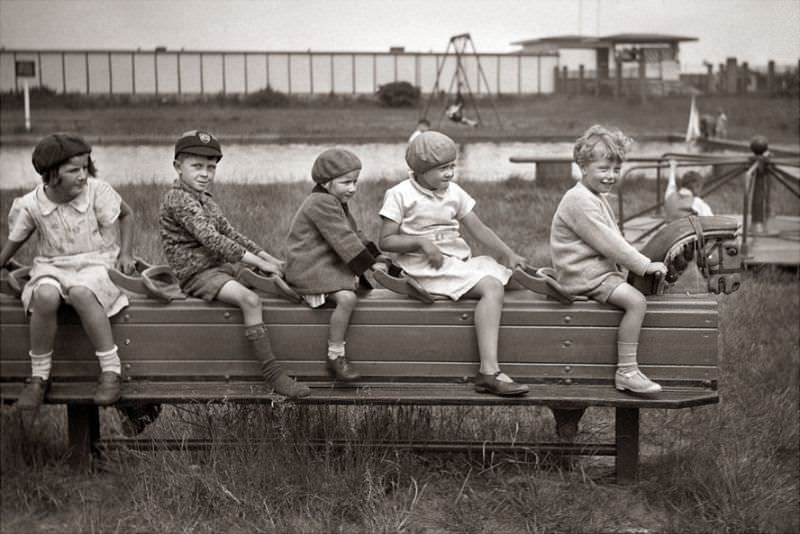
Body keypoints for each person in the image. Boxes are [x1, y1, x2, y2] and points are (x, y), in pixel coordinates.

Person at [159, 130, 309, 398]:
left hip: (219, 269)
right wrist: (260, 263)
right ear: (177, 167)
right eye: (197, 166)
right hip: (198, 274)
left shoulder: (204, 198)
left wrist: (269, 259)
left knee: (270, 284)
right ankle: (273, 373)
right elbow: (213, 240)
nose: (205, 174)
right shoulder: (178, 199)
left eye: (211, 168)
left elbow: (231, 234)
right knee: (251, 300)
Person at [378, 131, 529, 397]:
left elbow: (478, 228)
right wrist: (421, 243)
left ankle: (528, 348)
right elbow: (386, 241)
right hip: (426, 267)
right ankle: (489, 371)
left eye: (452, 167)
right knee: (492, 287)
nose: (449, 174)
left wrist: (508, 253)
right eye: (442, 169)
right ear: (421, 170)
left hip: (456, 262)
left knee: (514, 277)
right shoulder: (399, 194)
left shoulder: (453, 191)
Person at [0, 133, 136, 411]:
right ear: (50, 175)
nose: (83, 175)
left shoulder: (97, 191)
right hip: (53, 264)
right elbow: (15, 241)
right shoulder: (32, 204)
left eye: (85, 167)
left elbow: (126, 214)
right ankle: (39, 376)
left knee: (82, 293)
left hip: (95, 262)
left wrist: (125, 253)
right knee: (46, 295)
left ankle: (111, 370)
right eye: (74, 170)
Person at [550, 125, 668, 395]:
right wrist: (643, 264)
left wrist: (636, 259)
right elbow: (609, 242)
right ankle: (626, 371)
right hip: (582, 274)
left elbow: (614, 238)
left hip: (594, 269)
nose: (611, 176)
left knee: (641, 291)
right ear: (583, 167)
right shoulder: (578, 200)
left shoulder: (595, 196)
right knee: (636, 302)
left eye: (616, 170)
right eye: (603, 169)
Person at [285, 148, 388, 381]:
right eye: (346, 182)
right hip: (308, 266)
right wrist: (370, 266)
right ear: (327, 182)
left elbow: (354, 233)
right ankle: (335, 355)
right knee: (347, 298)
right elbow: (343, 239)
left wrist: (378, 257)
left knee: (356, 290)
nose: (352, 188)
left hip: (323, 262)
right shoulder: (320, 203)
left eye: (355, 182)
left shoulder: (333, 200)